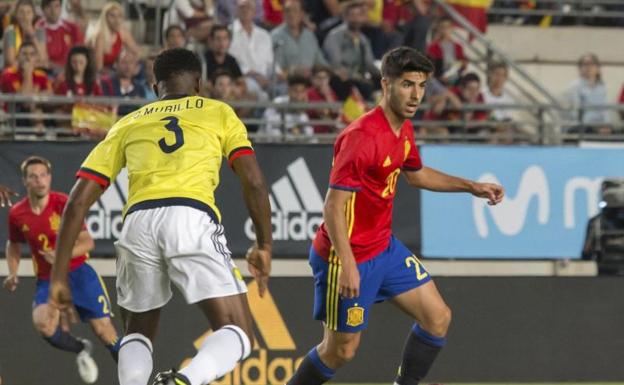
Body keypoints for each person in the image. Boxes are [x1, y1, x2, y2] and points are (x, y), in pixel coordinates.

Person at [46, 48, 273, 385]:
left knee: (137, 331)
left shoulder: (129, 122)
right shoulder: (218, 112)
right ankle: (183, 381)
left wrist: (59, 276)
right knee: (238, 331)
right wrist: (264, 243)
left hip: (137, 223)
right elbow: (253, 181)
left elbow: (77, 202)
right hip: (191, 216)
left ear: (155, 87)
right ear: (199, 82)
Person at [285, 47, 504, 385]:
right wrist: (347, 264)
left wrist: (471, 186)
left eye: (422, 85)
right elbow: (332, 206)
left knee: (438, 317)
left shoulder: (403, 128)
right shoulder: (361, 137)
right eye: (407, 84)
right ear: (386, 84)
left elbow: (416, 174)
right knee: (340, 351)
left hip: (383, 248)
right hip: (346, 256)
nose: (416, 95)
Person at [4, 156, 121, 384]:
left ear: (50, 178)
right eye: (33, 176)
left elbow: (88, 242)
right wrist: (12, 272)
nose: (39, 180)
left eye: (43, 175)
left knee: (104, 331)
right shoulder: (17, 214)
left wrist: (60, 254)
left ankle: (137, 377)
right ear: (25, 181)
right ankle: (81, 349)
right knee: (43, 324)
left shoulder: (63, 204)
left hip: (79, 273)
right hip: (48, 279)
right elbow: (14, 244)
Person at [86, 2, 140, 72]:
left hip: (111, 71)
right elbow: (98, 68)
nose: (117, 20)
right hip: (95, 72)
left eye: (119, 16)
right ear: (105, 18)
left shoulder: (122, 33)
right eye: (112, 16)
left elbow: (136, 52)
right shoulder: (100, 36)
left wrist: (130, 65)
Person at [37, 0, 83, 75]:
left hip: (71, 70)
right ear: (42, 9)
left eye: (56, 6)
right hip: (49, 72)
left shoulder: (72, 28)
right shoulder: (39, 29)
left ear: (61, 8)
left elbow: (80, 53)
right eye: (49, 7)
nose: (53, 11)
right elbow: (42, 60)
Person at [2, 0, 48, 69]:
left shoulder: (40, 31)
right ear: (16, 14)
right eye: (21, 12)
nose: (25, 16)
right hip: (14, 71)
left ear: (33, 15)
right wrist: (30, 67)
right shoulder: (10, 32)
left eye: (28, 12)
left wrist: (33, 36)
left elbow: (43, 59)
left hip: (35, 71)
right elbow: (11, 62)